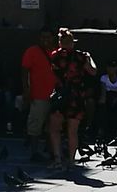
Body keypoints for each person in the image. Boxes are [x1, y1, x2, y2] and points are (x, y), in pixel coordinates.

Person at [47, 28, 95, 170]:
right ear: (72, 43)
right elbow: (93, 71)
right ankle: (72, 161)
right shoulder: (81, 56)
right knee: (72, 130)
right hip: (76, 95)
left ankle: (57, 159)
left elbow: (53, 72)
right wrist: (89, 58)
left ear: (60, 42)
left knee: (55, 129)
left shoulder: (55, 55)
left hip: (61, 94)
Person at [20, 31, 57, 158]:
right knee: (35, 124)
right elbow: (24, 72)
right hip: (38, 95)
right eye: (42, 37)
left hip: (55, 95)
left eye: (48, 36)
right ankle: (34, 152)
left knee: (52, 125)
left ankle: (51, 150)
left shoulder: (58, 52)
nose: (45, 39)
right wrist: (26, 90)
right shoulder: (32, 52)